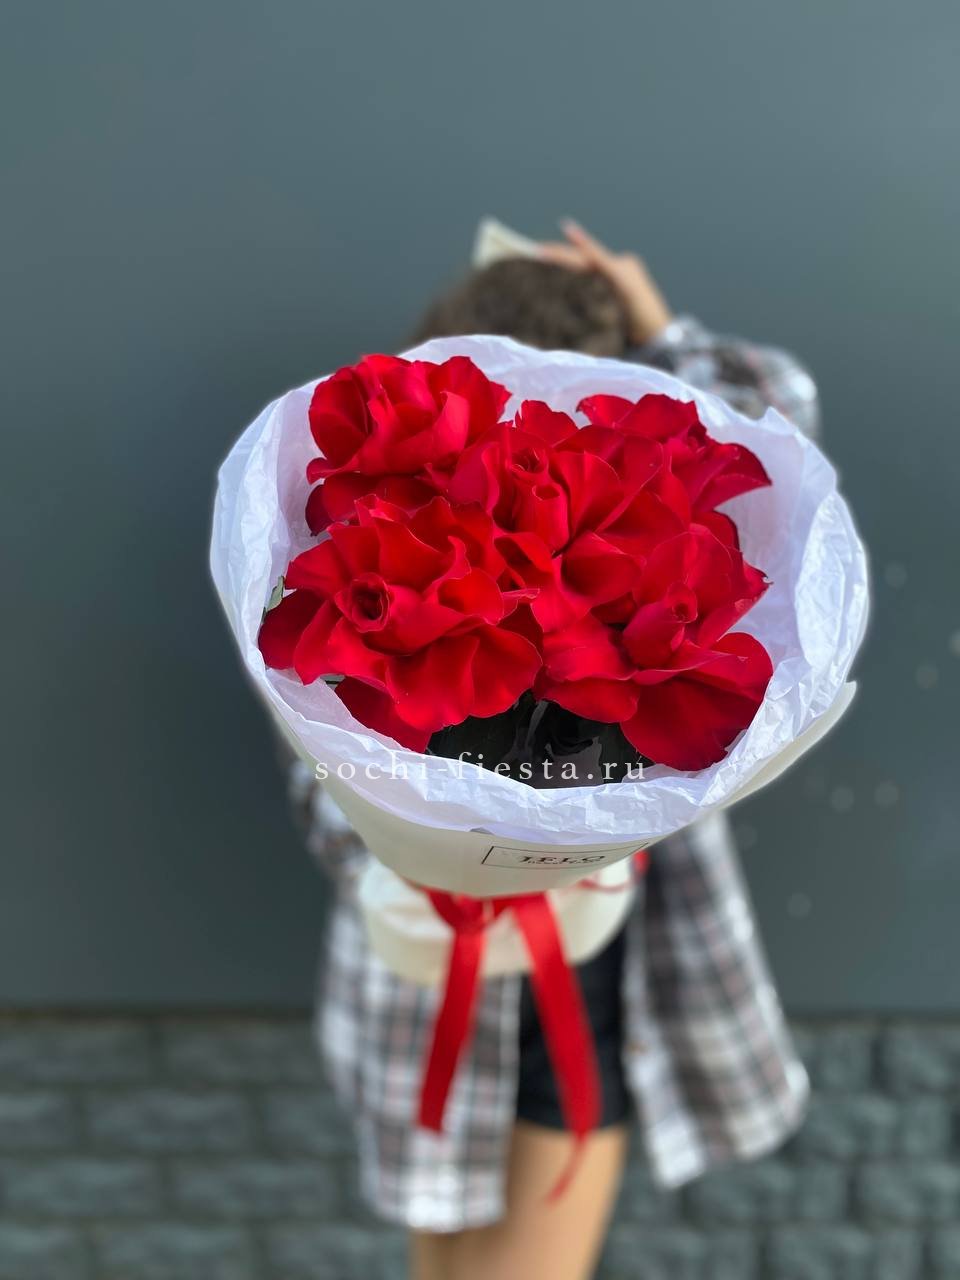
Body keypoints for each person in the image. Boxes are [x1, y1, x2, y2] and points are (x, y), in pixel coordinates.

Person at [287, 221, 819, 1280]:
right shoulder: (395, 539)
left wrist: (405, 849)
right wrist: (660, 323)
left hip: (510, 954)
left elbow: (780, 434)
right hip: (477, 956)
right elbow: (780, 408)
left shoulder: (369, 534)